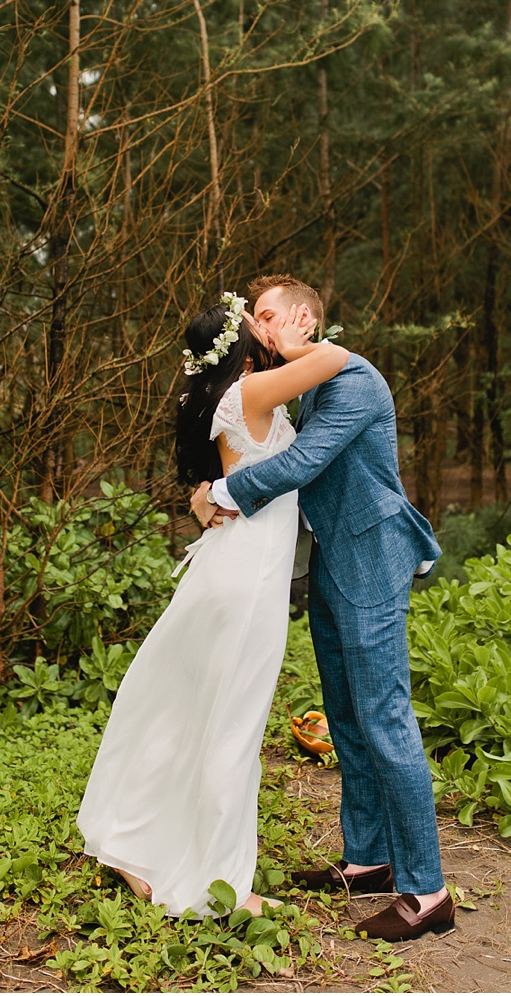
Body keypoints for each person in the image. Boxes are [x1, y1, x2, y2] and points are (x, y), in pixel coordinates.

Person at [190, 275, 454, 942]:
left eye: (271, 315)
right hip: (334, 560)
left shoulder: (352, 378)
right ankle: (368, 856)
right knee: (344, 710)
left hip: (371, 555)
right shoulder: (305, 382)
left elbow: (306, 459)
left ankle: (428, 891)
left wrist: (221, 491)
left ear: (306, 318)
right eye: (255, 318)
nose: (261, 326)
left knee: (384, 714)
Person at [76, 291, 349, 919]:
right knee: (234, 727)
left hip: (230, 569)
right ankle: (221, 885)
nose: (271, 324)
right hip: (247, 580)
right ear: (246, 340)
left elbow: (213, 487)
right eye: (261, 319)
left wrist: (205, 501)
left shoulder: (237, 396)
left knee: (185, 712)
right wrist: (303, 335)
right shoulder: (250, 394)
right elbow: (334, 358)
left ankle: (130, 839)